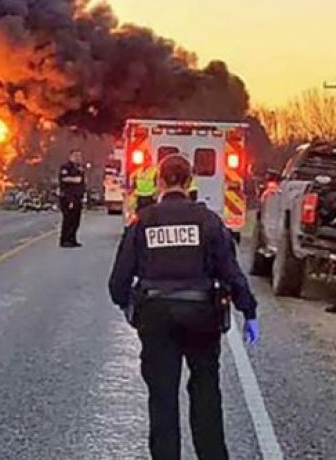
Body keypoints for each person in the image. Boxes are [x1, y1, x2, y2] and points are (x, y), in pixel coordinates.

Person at [107, 154, 259, 460]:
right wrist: (249, 310)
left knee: (162, 397)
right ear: (190, 181)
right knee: (205, 392)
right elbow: (230, 271)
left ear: (161, 181)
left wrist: (128, 306)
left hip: (156, 315)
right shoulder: (209, 221)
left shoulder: (143, 221)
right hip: (202, 316)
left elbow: (118, 280)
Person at [57, 149, 86, 247]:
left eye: (79, 156)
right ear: (70, 156)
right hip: (68, 197)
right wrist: (75, 179)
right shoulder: (66, 167)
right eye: (76, 156)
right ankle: (65, 240)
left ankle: (72, 239)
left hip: (78, 198)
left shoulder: (79, 168)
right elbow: (64, 178)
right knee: (68, 219)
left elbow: (82, 182)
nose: (78, 158)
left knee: (76, 220)